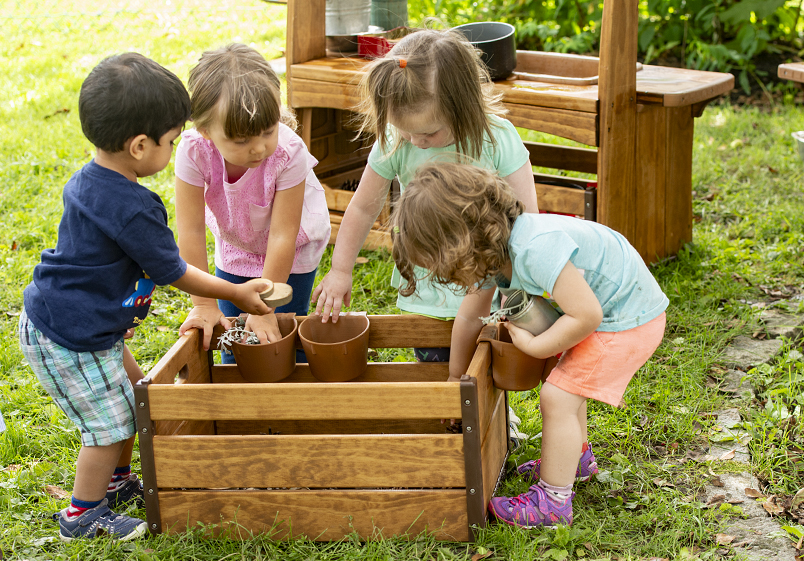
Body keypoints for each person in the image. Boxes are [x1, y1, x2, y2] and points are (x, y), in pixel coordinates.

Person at [18, 53, 271, 542]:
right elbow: (174, 270)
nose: (175, 149)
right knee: (109, 425)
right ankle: (82, 515)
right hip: (69, 336)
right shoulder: (130, 207)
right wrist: (235, 292)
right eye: (172, 141)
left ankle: (115, 483)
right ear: (139, 145)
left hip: (87, 325)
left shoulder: (93, 179)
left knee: (136, 398)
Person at [390, 163, 668, 528]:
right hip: (614, 310)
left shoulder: (534, 248)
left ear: (461, 244)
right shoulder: (494, 254)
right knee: (562, 376)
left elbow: (587, 315)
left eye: (444, 267)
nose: (447, 277)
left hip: (629, 318)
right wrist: (456, 377)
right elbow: (470, 316)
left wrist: (537, 347)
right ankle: (576, 460)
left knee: (558, 395)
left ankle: (553, 502)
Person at [312, 28, 539, 364]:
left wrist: (519, 284)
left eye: (429, 132)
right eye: (404, 129)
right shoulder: (397, 142)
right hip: (428, 279)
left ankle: (493, 413)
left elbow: (527, 217)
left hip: (489, 280)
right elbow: (362, 207)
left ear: (464, 108)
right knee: (433, 355)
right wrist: (341, 269)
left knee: (489, 355)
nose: (415, 141)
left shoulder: (496, 138)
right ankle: (444, 411)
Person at [174, 43, 330, 361]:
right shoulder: (193, 152)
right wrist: (203, 305)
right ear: (205, 130)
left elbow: (283, 234)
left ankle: (290, 398)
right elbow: (189, 232)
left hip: (293, 248)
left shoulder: (289, 154)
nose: (258, 149)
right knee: (235, 335)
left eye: (268, 132)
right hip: (236, 244)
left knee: (280, 332)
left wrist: (267, 306)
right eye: (242, 141)